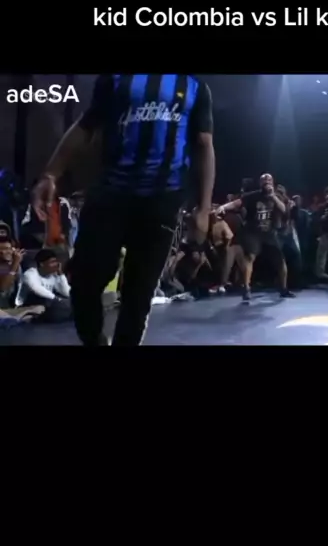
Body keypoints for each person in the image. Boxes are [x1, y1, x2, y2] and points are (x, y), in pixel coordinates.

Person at [32, 73, 215, 346]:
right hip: (111, 194)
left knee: (138, 295)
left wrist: (203, 208)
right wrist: (50, 174)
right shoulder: (114, 79)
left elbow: (204, 145)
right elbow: (85, 126)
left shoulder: (195, 86)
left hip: (161, 200)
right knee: (83, 283)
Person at [218, 173, 295, 303]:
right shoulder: (253, 196)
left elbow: (284, 210)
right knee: (250, 257)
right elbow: (237, 203)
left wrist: (273, 197)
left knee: (280, 260)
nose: (267, 181)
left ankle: (283, 289)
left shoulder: (277, 197)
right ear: (260, 183)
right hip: (253, 231)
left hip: (269, 232)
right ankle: (246, 288)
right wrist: (223, 207)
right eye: (264, 180)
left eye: (269, 179)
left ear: (273, 182)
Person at [15, 248, 71, 321]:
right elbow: (37, 289)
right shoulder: (29, 274)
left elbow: (67, 292)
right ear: (42, 264)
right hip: (25, 306)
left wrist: (61, 275)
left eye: (56, 262)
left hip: (45, 305)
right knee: (48, 301)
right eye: (52, 262)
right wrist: (58, 299)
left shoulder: (53, 275)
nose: (56, 264)